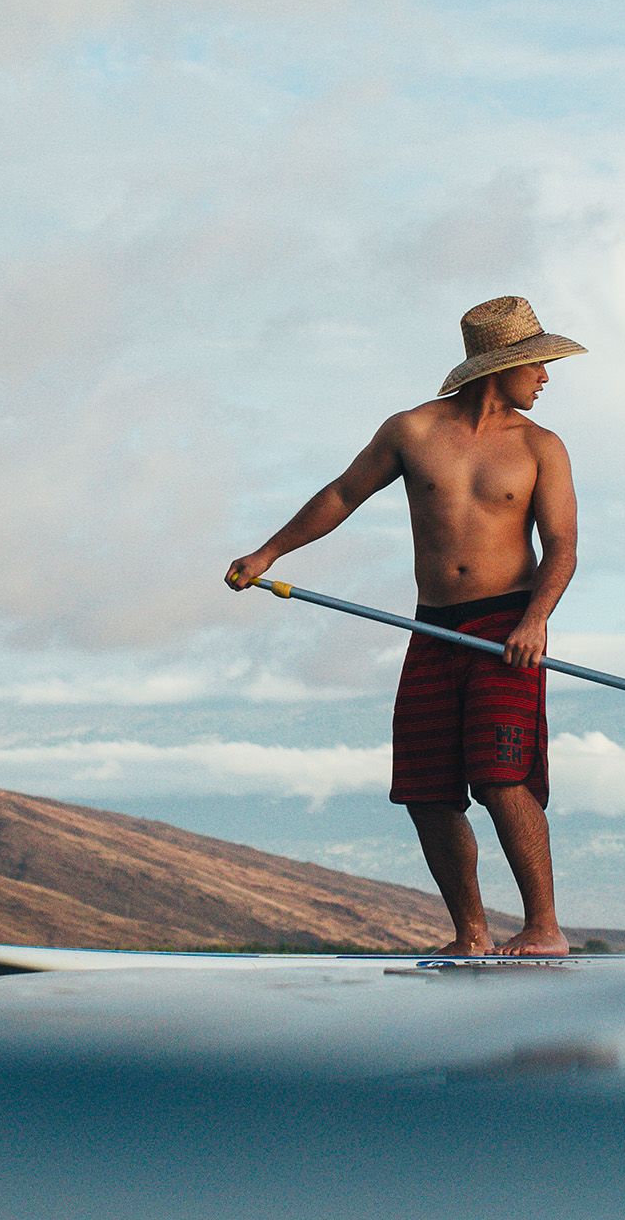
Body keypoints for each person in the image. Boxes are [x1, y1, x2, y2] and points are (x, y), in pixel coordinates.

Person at [227, 296, 584, 956]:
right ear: (495, 367)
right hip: (433, 628)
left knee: (503, 777)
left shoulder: (541, 447)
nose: (545, 376)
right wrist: (268, 554)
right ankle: (470, 933)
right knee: (425, 789)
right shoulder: (411, 432)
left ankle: (544, 928)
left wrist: (536, 621)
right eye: (536, 363)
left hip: (507, 626)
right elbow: (341, 495)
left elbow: (561, 543)